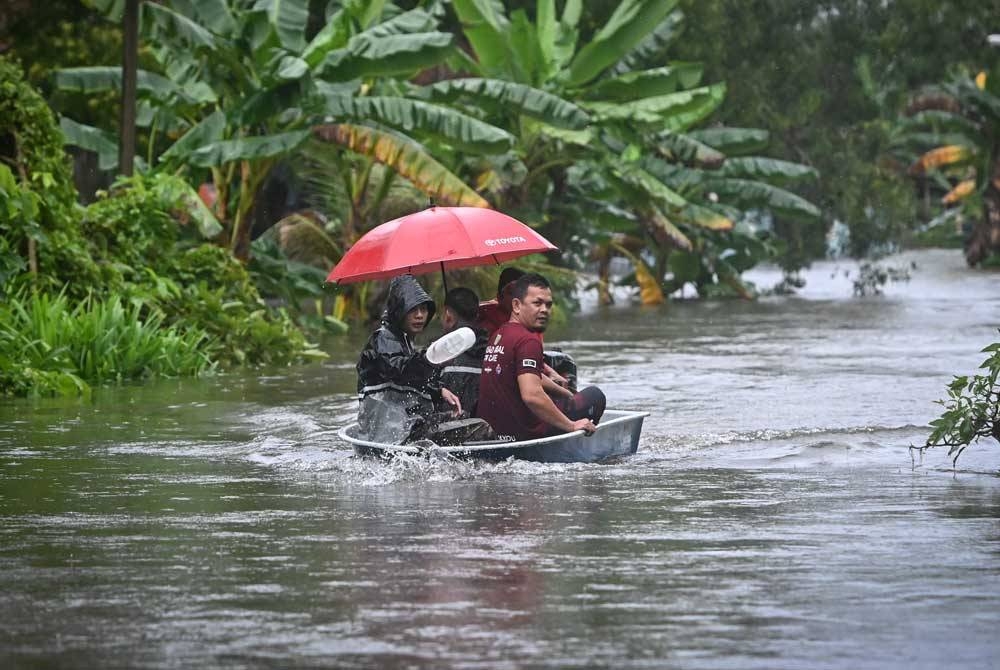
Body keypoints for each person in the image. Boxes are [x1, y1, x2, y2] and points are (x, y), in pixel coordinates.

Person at [477, 273, 606, 442]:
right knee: (595, 395)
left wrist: (565, 393)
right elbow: (532, 395)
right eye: (537, 303)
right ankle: (576, 439)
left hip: (495, 433)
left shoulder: (499, 334)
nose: (544, 309)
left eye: (548, 304)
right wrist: (571, 425)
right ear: (516, 305)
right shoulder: (528, 340)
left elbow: (529, 377)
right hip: (523, 433)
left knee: (561, 398)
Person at [356, 274, 461, 444]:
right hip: (389, 434)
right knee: (478, 428)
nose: (420, 315)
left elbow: (407, 382)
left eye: (423, 309)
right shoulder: (383, 339)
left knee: (461, 418)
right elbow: (400, 371)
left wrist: (438, 391)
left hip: (405, 426)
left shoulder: (404, 341)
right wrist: (430, 357)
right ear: (399, 311)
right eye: (412, 310)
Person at [477, 266, 576, 395]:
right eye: (511, 292)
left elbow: (532, 362)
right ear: (499, 297)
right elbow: (530, 388)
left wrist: (550, 372)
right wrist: (565, 394)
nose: (544, 309)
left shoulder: (532, 321)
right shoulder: (484, 319)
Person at [438, 287, 489, 416]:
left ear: (448, 314)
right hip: (485, 428)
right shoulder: (491, 350)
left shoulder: (437, 355)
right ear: (477, 315)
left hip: (449, 429)